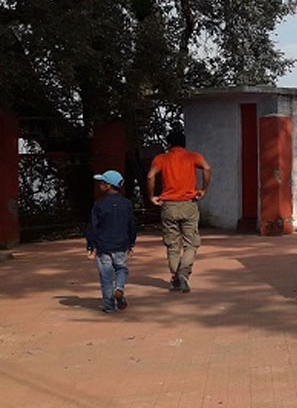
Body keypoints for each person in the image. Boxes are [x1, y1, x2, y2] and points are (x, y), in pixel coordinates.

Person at [146, 129, 211, 293]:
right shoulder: (193, 156)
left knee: (172, 245)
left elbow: (150, 176)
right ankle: (183, 275)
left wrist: (152, 196)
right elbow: (207, 168)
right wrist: (203, 189)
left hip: (168, 205)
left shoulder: (162, 158)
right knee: (191, 243)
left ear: (168, 144)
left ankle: (176, 277)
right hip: (189, 204)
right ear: (184, 144)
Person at [85, 170, 137, 313]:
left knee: (105, 276)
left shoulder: (99, 205)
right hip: (121, 244)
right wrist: (131, 242)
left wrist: (91, 245)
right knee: (121, 269)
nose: (99, 185)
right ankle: (119, 288)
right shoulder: (126, 204)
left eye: (102, 183)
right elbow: (132, 225)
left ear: (108, 186)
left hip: (103, 246)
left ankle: (108, 306)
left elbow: (93, 227)